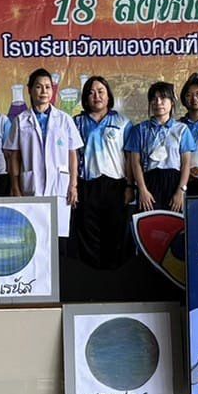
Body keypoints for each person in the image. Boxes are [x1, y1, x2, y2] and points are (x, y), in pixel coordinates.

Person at [5, 68, 83, 236]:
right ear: (30, 90)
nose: (43, 91)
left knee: (57, 236)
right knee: (34, 236)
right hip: (31, 184)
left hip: (59, 185)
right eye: (39, 87)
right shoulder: (20, 120)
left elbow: (72, 154)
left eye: (47, 87)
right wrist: (16, 188)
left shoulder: (65, 119)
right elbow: (14, 157)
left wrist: (73, 185)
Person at [72, 75, 131, 269]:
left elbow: (130, 157)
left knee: (115, 229)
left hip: (115, 184)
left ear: (108, 96)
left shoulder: (123, 122)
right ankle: (91, 274)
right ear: (85, 98)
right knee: (87, 229)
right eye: (91, 93)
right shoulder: (77, 122)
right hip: (87, 184)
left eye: (100, 91)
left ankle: (113, 274)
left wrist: (130, 186)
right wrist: (73, 186)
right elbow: (72, 156)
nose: (96, 96)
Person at [124, 81, 196, 214]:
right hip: (149, 183)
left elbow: (186, 164)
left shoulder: (182, 129)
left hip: (175, 182)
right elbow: (135, 163)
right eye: (154, 99)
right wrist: (142, 190)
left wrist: (181, 191)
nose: (158, 102)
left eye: (163, 98)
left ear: (172, 102)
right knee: (149, 223)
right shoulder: (140, 129)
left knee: (175, 223)